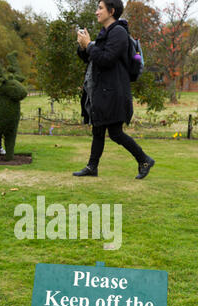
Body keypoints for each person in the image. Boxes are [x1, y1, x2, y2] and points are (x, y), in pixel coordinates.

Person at [73, 0, 155, 180]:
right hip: (104, 91)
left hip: (114, 92)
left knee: (116, 133)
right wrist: (83, 47)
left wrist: (90, 45)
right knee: (98, 130)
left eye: (100, 8)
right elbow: (93, 59)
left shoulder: (118, 32)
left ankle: (144, 160)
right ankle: (92, 167)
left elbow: (106, 59)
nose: (96, 12)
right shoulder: (107, 33)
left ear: (111, 11)